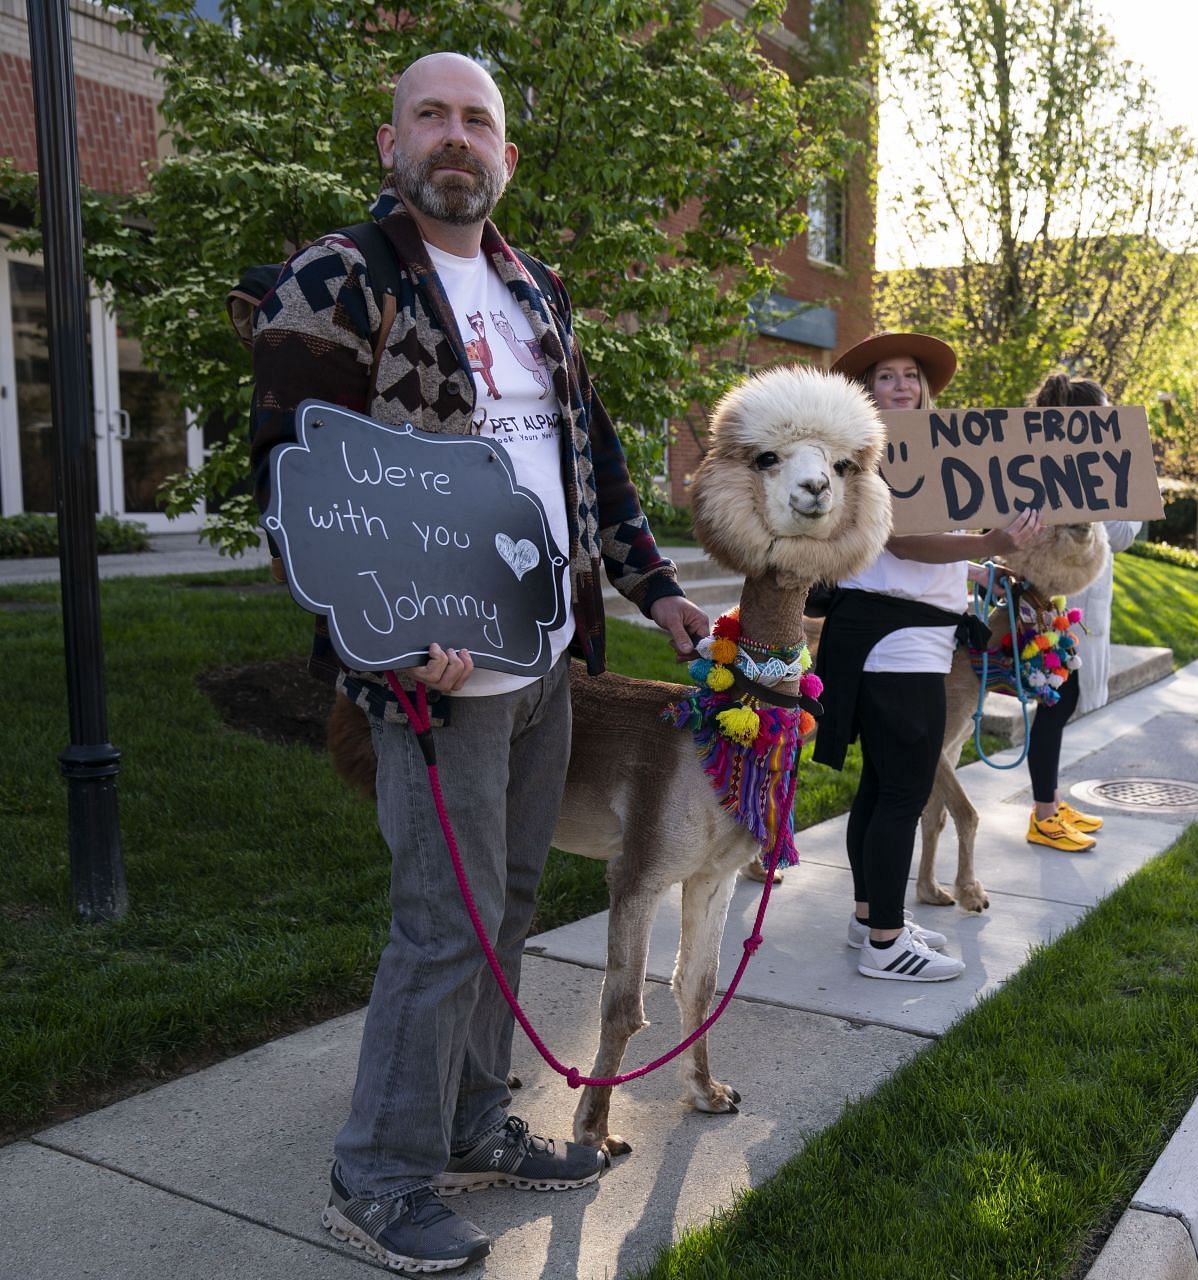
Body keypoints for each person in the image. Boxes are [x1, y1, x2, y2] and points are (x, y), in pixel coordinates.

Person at [248, 53, 708, 1273]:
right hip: (429, 677)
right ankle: (378, 1175)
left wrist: (661, 594)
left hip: (547, 662)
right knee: (440, 923)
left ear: (505, 154)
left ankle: (471, 1117)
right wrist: (394, 640)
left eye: (480, 122)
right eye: (433, 116)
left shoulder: (535, 288)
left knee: (506, 905)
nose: (458, 139)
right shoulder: (340, 278)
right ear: (393, 140)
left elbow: (594, 460)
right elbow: (295, 486)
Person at [814, 332, 1042, 983]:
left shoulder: (915, 456)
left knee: (883, 787)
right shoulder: (872, 454)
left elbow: (928, 544)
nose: (902, 385)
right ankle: (887, 944)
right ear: (866, 391)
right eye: (885, 376)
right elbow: (910, 546)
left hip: (903, 634)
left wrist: (985, 548)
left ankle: (870, 920)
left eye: (910, 374)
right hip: (895, 639)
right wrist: (990, 539)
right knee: (903, 792)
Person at [1019, 372, 1141, 854]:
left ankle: (1048, 802)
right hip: (1057, 609)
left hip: (1067, 605)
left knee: (1059, 703)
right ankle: (1043, 815)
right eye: (1105, 414)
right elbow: (1123, 534)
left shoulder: (1062, 466)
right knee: (1056, 703)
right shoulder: (1079, 473)